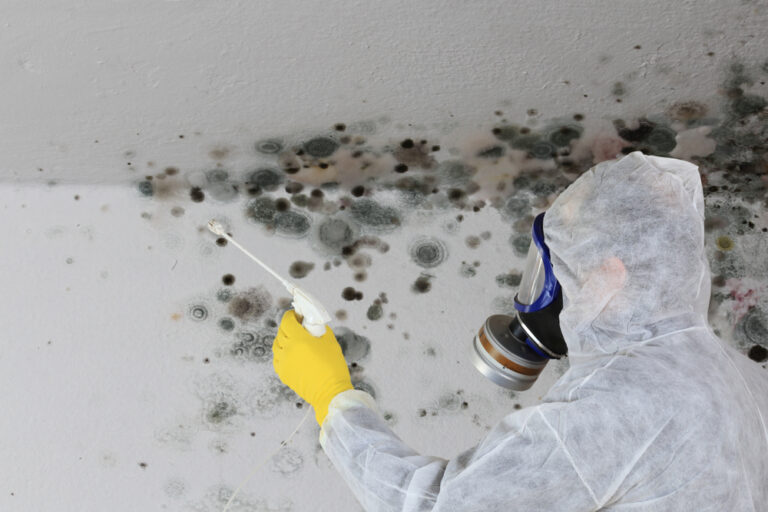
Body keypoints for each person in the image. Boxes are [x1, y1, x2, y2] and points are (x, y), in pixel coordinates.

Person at [272, 151, 768, 511]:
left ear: (611, 274)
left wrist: (334, 399)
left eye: (562, 266)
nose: (548, 289)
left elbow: (441, 508)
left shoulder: (614, 405)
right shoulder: (748, 382)